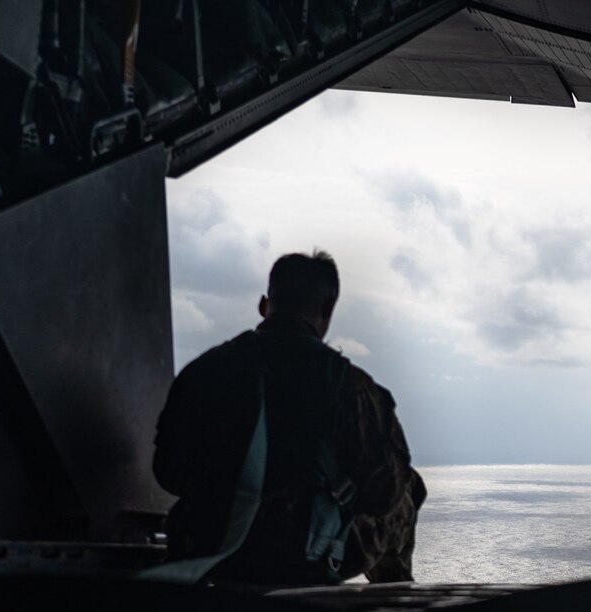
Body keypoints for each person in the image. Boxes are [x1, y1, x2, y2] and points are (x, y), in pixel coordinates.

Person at [154, 250, 425, 586]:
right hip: (303, 558)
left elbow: (168, 474)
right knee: (409, 488)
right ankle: (394, 602)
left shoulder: (203, 372)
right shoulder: (351, 388)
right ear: (327, 309)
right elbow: (387, 492)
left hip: (211, 553)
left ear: (264, 305)